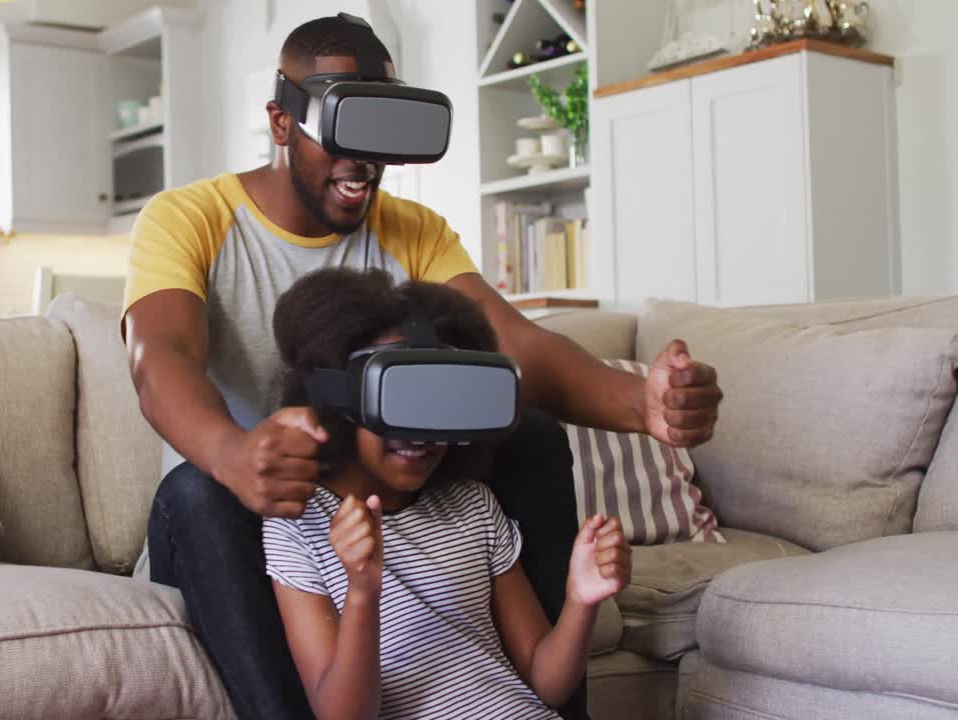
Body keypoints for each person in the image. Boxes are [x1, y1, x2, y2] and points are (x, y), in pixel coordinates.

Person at [124, 15, 722, 720]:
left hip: (367, 494)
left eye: (379, 138)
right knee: (201, 491)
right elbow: (157, 357)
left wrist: (642, 404)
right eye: (340, 131)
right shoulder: (189, 217)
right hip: (235, 508)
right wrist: (234, 452)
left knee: (527, 434)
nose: (362, 163)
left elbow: (515, 347)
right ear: (281, 123)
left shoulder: (413, 231)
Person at [265, 268, 633, 720]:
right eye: (403, 400)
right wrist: (362, 589)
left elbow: (546, 681)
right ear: (341, 402)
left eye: (443, 405)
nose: (422, 435)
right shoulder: (300, 526)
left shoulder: (473, 504)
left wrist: (581, 600)